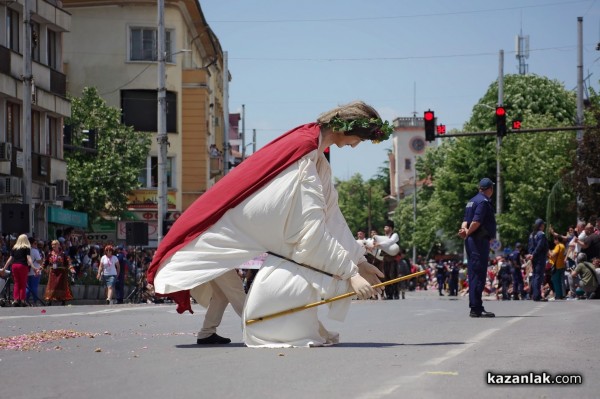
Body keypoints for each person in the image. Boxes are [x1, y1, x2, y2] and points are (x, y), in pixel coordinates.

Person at [147, 101, 389, 347]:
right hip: (215, 233)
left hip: (229, 236)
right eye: (360, 138)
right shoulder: (305, 151)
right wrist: (351, 274)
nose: (357, 145)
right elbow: (311, 230)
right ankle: (260, 324)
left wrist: (360, 262)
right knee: (238, 289)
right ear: (347, 128)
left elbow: (331, 216)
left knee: (224, 291)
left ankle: (211, 332)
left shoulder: (314, 153)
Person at [458, 177, 496, 318]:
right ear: (490, 189)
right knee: (478, 273)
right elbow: (476, 221)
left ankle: (476, 306)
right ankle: (476, 308)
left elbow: (465, 221)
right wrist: (468, 232)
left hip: (472, 240)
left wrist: (464, 231)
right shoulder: (483, 202)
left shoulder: (471, 201)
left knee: (474, 272)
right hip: (478, 241)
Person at [0, 234, 36, 307]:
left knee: (16, 283)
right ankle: (22, 300)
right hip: (22, 266)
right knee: (23, 283)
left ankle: (16, 300)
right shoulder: (26, 247)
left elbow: (10, 259)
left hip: (14, 266)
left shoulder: (14, 248)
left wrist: (4, 268)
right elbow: (28, 258)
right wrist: (33, 267)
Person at [42, 239, 75, 306]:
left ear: (58, 245)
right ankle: (49, 299)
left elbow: (68, 262)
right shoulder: (50, 254)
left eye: (55, 244)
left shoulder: (63, 254)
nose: (53, 246)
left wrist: (71, 268)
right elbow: (45, 263)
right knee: (52, 286)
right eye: (52, 244)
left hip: (61, 273)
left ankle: (63, 299)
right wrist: (39, 269)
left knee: (61, 286)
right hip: (53, 273)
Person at [374, 220, 400, 299]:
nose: (385, 228)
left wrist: (380, 244)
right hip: (385, 259)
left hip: (393, 260)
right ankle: (388, 293)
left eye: (386, 226)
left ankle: (396, 293)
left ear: (391, 228)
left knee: (394, 276)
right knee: (386, 277)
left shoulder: (394, 235)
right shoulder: (383, 238)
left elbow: (390, 242)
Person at [526, 219, 549, 302]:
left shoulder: (532, 234)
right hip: (540, 257)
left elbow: (530, 246)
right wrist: (534, 254)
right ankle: (537, 296)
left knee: (535, 276)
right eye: (543, 224)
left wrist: (530, 254)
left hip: (534, 257)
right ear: (541, 225)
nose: (544, 226)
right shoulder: (541, 234)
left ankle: (535, 295)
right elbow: (540, 246)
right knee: (538, 276)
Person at [26, 238, 44, 305]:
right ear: (31, 244)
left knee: (28, 287)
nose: (36, 245)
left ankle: (26, 300)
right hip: (35, 271)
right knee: (34, 287)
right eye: (35, 243)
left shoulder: (26, 250)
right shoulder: (35, 251)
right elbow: (39, 261)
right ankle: (35, 301)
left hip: (28, 271)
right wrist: (42, 260)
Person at [548, 235, 566, 300]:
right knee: (560, 281)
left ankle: (558, 295)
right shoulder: (563, 246)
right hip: (561, 265)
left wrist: (549, 251)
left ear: (557, 240)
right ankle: (561, 295)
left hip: (556, 266)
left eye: (555, 240)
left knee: (555, 280)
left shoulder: (558, 246)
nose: (554, 241)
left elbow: (553, 254)